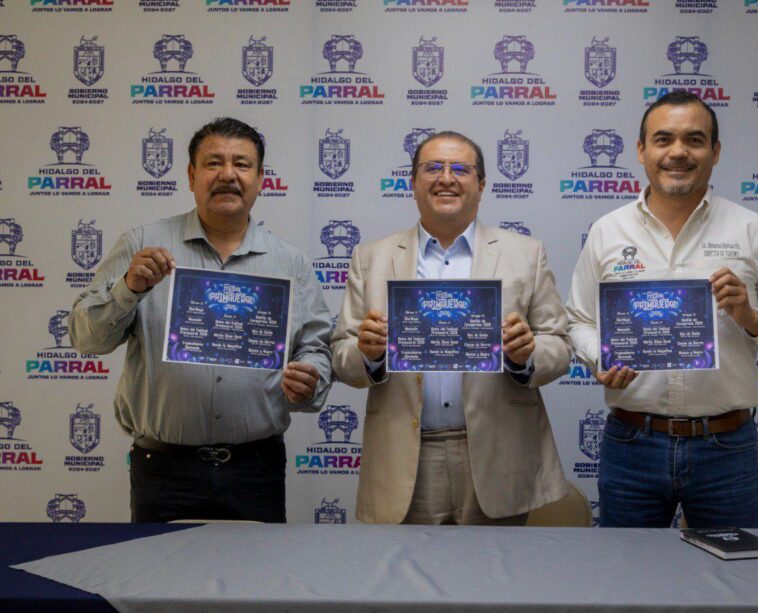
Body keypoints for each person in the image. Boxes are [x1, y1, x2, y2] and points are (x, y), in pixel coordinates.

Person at [566, 91, 758, 528]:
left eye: (694, 140)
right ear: (641, 150)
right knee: (627, 567)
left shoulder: (753, 231)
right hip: (631, 444)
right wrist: (599, 357)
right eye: (663, 139)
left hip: (725, 447)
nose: (678, 152)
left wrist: (753, 318)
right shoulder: (607, 231)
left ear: (715, 152)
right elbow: (579, 321)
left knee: (729, 567)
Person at [69, 117, 333, 523]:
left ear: (261, 179)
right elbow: (85, 339)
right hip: (163, 470)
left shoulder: (291, 263)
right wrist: (129, 288)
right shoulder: (142, 245)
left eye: (241, 164)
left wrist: (310, 378)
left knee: (258, 568)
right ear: (192, 175)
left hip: (256, 470)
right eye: (213, 163)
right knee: (159, 567)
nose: (228, 174)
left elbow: (316, 347)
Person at [331, 131, 571, 525]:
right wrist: (368, 355)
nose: (446, 178)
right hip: (406, 459)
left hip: (498, 458)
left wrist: (527, 356)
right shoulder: (371, 257)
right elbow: (342, 354)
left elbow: (559, 345)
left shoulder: (526, 254)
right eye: (433, 168)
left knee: (495, 567)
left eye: (460, 169)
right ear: (412, 183)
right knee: (405, 569)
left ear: (482, 184)